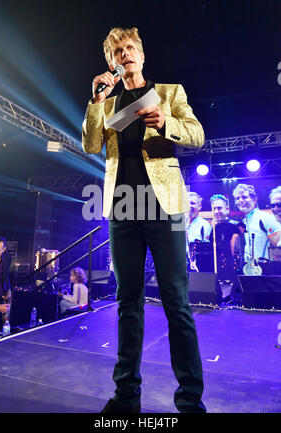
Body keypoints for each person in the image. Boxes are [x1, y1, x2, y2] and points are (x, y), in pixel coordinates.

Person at [82, 27, 206, 413]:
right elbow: (90, 144)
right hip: (122, 205)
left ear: (142, 54)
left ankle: (189, 401)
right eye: (117, 51)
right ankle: (125, 397)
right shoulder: (107, 100)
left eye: (130, 47)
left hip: (164, 206)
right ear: (111, 61)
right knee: (127, 303)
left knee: (176, 302)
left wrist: (165, 122)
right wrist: (94, 100)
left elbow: (197, 135)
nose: (125, 54)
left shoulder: (171, 92)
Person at [232, 184, 281, 262]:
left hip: (266, 271)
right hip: (250, 270)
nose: (240, 200)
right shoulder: (244, 221)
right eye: (237, 198)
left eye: (244, 197)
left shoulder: (266, 217)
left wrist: (275, 269)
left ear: (255, 199)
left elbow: (280, 247)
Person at [209, 195, 241, 304]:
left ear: (227, 209)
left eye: (219, 208)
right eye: (214, 209)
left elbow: (237, 249)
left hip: (234, 272)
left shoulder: (235, 225)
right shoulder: (214, 227)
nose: (216, 211)